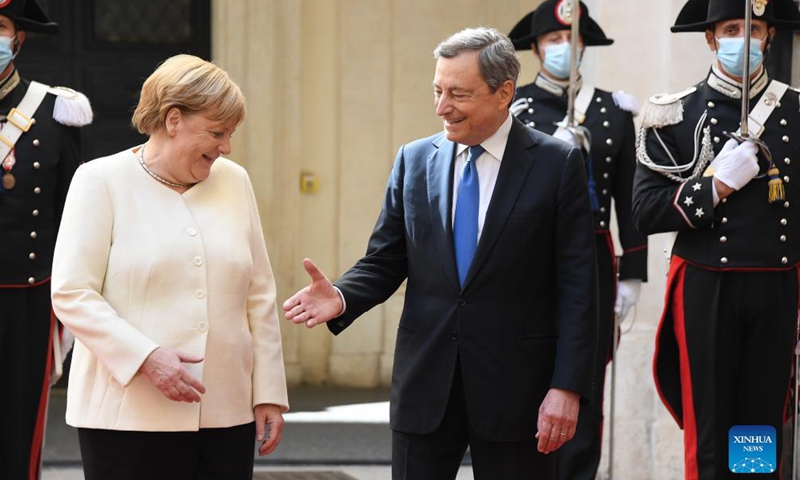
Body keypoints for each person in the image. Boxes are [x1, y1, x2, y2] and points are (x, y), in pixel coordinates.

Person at [284, 27, 598, 480]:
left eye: (459, 93)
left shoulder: (557, 165)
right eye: (437, 90)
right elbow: (386, 259)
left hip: (518, 392)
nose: (442, 106)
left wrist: (567, 387)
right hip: (426, 385)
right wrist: (342, 295)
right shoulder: (413, 160)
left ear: (503, 93)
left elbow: (579, 289)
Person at [50, 54, 289, 480]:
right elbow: (72, 293)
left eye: (231, 134)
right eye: (217, 132)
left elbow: (259, 295)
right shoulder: (98, 181)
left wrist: (268, 393)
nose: (226, 147)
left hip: (225, 411)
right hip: (126, 415)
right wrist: (145, 357)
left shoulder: (235, 181)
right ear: (173, 119)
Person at [632, 0, 800, 478]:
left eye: (755, 29)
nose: (743, 39)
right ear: (710, 38)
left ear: (769, 36)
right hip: (708, 282)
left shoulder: (796, 109)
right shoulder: (673, 113)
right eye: (731, 28)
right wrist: (715, 186)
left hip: (777, 281)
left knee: (760, 424)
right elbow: (645, 211)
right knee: (709, 420)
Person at [508, 2, 648, 478]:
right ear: (534, 48)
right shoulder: (515, 108)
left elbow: (629, 198)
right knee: (526, 375)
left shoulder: (614, 110)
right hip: (527, 257)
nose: (563, 48)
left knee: (584, 379)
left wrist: (633, 273)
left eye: (571, 40)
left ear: (584, 45)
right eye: (552, 40)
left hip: (591, 254)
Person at [0, 1, 92, 478]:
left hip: (27, 292)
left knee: (18, 419)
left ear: (18, 38)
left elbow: (74, 213)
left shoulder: (56, 110)